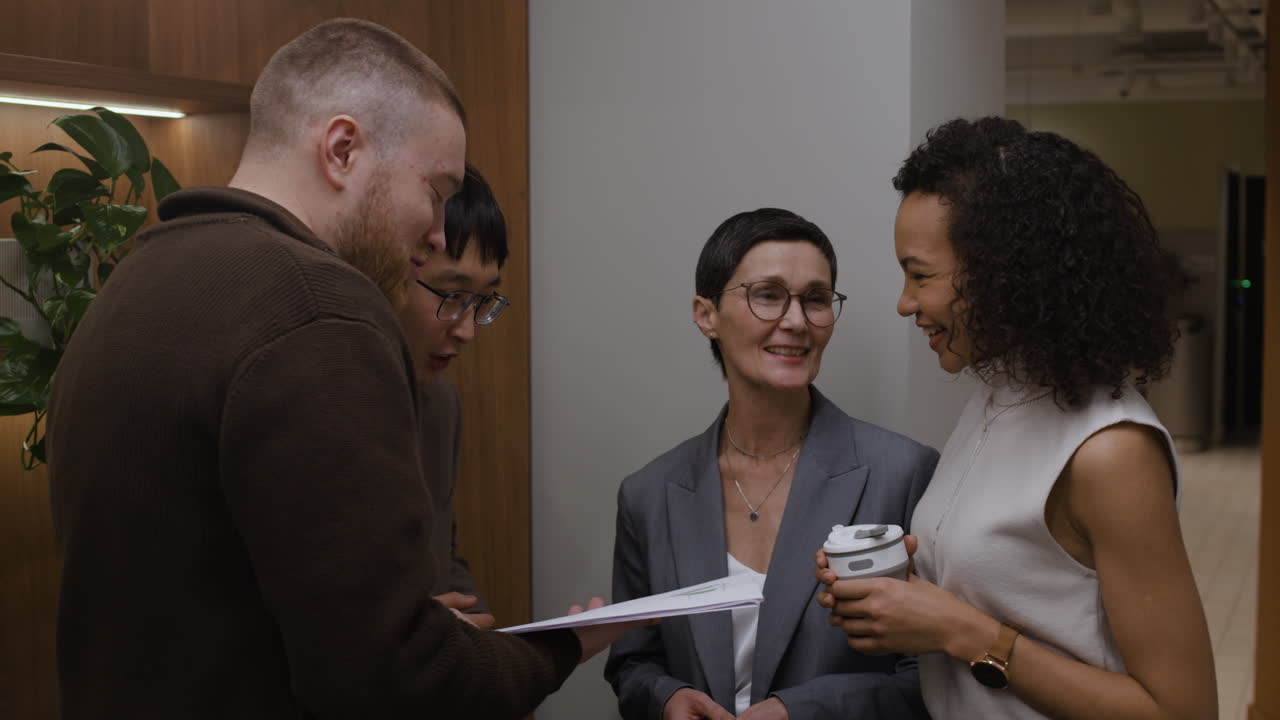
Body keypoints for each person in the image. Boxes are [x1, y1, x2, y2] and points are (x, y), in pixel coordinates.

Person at [47, 18, 631, 719]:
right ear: (343, 149)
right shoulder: (315, 305)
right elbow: (396, 678)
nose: (438, 230)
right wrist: (565, 647)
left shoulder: (138, 276)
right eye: (437, 191)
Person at [817, 117, 1218, 720]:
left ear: (1003, 270)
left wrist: (962, 632)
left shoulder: (1110, 451)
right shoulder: (995, 399)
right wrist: (902, 585)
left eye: (920, 275)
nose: (906, 303)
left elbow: (1183, 711)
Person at [606, 208, 939, 720]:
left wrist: (800, 712)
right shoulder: (649, 495)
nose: (796, 321)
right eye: (768, 295)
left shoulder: (903, 473)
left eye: (815, 299)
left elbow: (935, 674)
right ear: (706, 314)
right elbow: (633, 662)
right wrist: (666, 698)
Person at [401, 163, 511, 630]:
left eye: (482, 301)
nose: (467, 330)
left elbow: (441, 558)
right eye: (451, 294)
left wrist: (486, 633)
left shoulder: (440, 405)